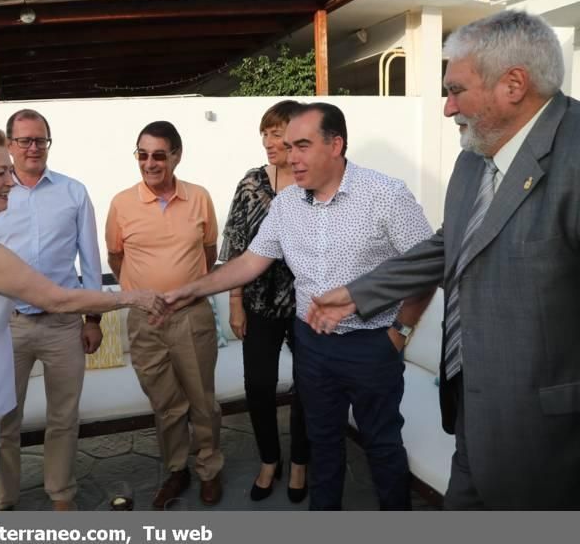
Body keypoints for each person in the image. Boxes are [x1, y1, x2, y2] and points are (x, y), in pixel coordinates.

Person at [308, 11, 580, 510]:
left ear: (513, 85)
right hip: (472, 414)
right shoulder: (475, 156)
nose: (446, 107)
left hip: (546, 437)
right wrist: (358, 293)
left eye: (456, 90)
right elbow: (447, 242)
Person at [164, 103, 434, 510]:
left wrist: (401, 332)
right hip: (313, 347)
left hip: (373, 345)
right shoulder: (287, 204)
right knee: (322, 445)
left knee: (382, 446)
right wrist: (193, 290)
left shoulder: (386, 195)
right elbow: (250, 262)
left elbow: (426, 266)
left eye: (302, 146)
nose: (291, 157)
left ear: (336, 144)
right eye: (288, 146)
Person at [0, 124, 164, 511]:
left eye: (9, 170)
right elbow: (56, 298)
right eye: (0, 172)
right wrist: (133, 296)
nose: (12, 180)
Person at [105, 120, 223, 507]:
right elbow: (116, 255)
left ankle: (209, 468)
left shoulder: (200, 197)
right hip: (145, 321)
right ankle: (177, 470)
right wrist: (141, 295)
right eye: (142, 155)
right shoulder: (122, 203)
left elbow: (208, 253)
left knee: (202, 400)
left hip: (191, 316)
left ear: (176, 156)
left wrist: (184, 286)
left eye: (158, 155)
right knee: (166, 403)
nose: (150, 163)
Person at [0, 109, 103, 512]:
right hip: (8, 325)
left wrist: (93, 320)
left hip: (63, 325)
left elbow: (90, 262)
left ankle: (61, 494)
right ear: (9, 145)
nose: (33, 148)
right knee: (4, 419)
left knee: (63, 417)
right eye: (24, 140)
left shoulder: (73, 192)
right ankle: (4, 497)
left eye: (40, 140)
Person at [219, 100, 308, 502]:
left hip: (308, 302)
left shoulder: (315, 182)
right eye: (265, 133)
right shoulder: (253, 182)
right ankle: (269, 460)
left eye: (276, 133)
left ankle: (302, 462)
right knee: (258, 384)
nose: (268, 142)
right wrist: (235, 300)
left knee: (309, 384)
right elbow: (237, 243)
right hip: (259, 300)